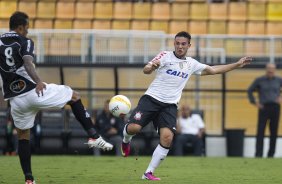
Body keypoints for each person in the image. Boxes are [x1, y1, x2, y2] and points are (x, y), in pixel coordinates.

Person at [120, 31, 252, 180]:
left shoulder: (191, 64)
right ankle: (125, 141)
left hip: (169, 105)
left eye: (183, 44)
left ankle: (148, 172)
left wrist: (236, 64)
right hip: (151, 99)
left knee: (167, 138)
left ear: (189, 45)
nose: (180, 46)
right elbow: (146, 70)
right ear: (174, 44)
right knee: (134, 128)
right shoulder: (164, 56)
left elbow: (213, 70)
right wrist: (151, 67)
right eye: (177, 43)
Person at [0, 11, 113, 184]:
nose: (28, 32)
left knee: (23, 136)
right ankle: (93, 136)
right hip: (33, 92)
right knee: (74, 96)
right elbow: (28, 63)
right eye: (27, 28)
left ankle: (29, 179)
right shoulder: (24, 41)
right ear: (21, 27)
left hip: (16, 100)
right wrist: (38, 81)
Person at [247, 63, 282, 158]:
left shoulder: (279, 80)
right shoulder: (259, 80)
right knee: (260, 131)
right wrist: (255, 102)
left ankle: (271, 154)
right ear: (266, 69)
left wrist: (280, 98)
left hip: (275, 108)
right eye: (269, 68)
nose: (270, 70)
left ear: (275, 70)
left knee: (274, 132)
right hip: (263, 108)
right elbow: (249, 90)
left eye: (272, 68)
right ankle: (258, 154)